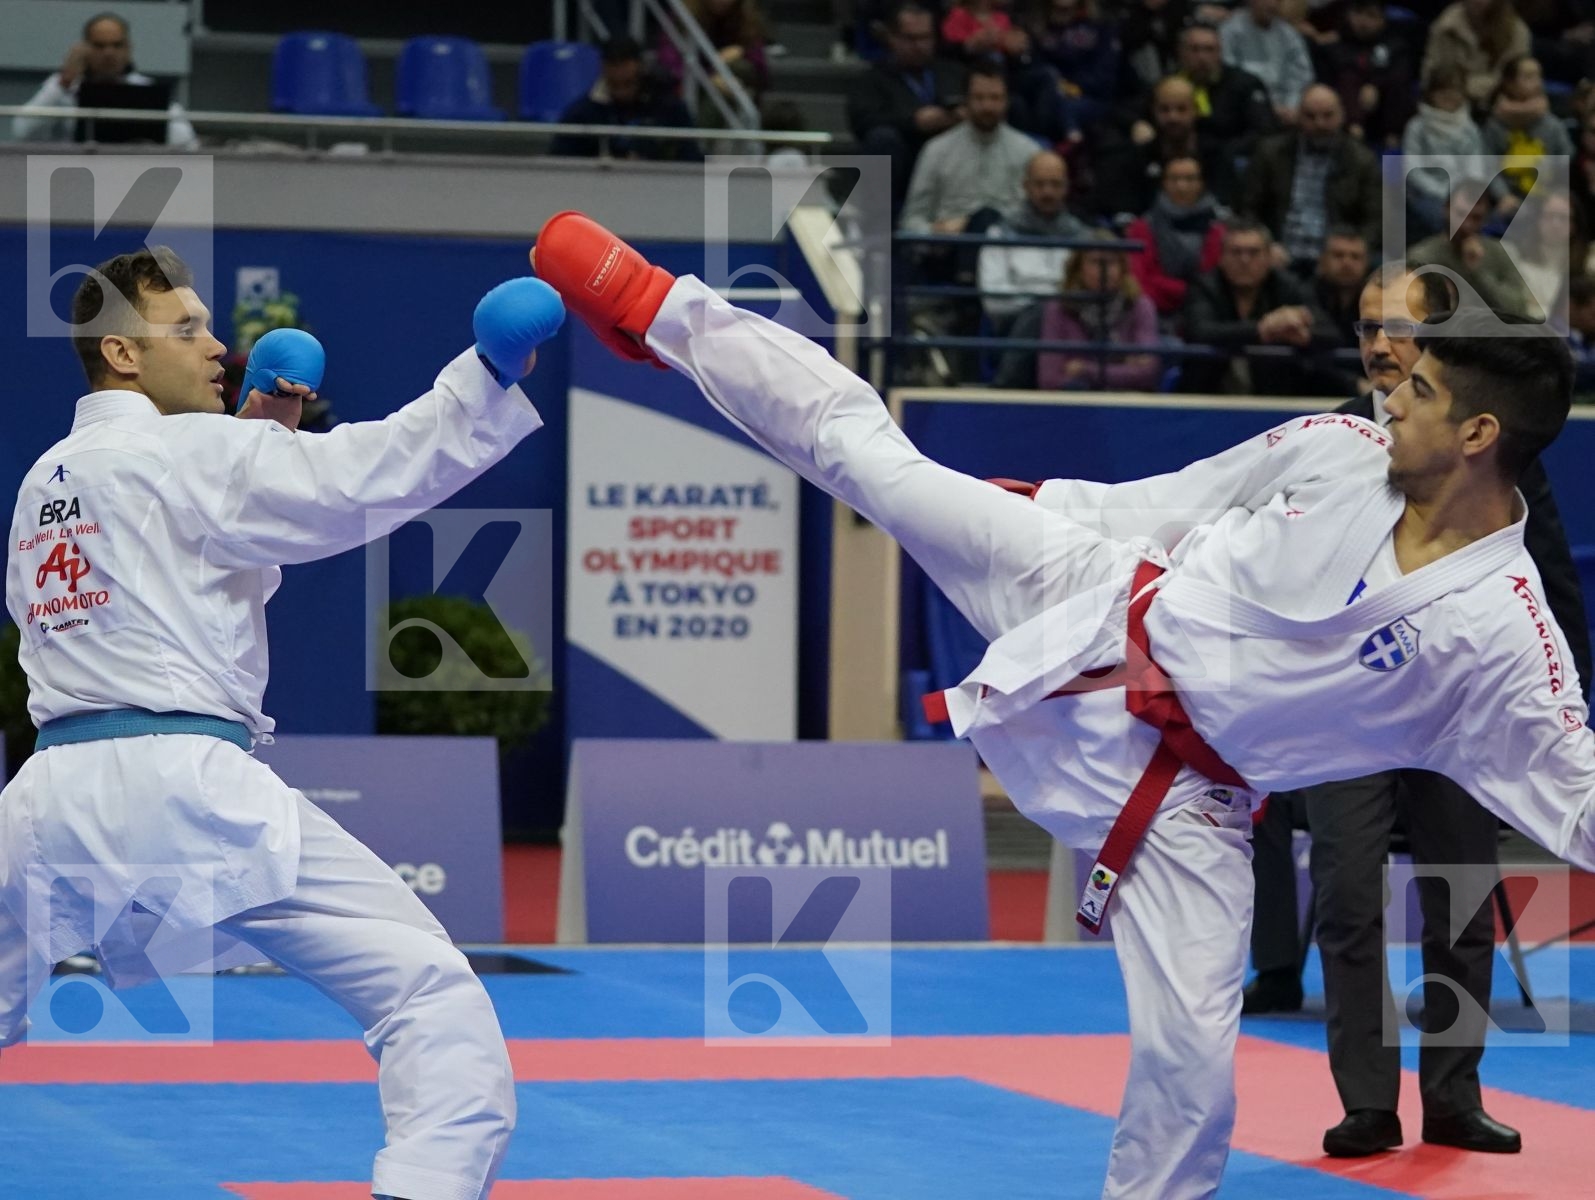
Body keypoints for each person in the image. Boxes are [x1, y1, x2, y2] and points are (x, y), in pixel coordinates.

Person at [530, 209, 1595, 1199]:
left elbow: (1579, 799)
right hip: (1092, 597)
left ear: (1475, 434)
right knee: (869, 460)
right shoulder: (1338, 449)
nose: (1393, 390)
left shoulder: (1501, 631)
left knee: (1190, 1075)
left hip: (1194, 804)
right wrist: (1033, 517)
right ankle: (660, 309)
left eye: (1422, 389)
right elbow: (1170, 506)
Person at [0, 246, 564, 1200]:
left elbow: (184, 581)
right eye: (185, 329)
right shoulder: (191, 451)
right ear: (123, 356)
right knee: (425, 988)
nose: (216, 344)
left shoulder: (45, 481)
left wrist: (261, 437)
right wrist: (484, 376)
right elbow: (363, 479)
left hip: (47, 795)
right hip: (187, 783)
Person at [1242, 260, 1591, 1159]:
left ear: (1437, 339)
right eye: (1364, 328)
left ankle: (1452, 1093)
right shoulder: (1326, 445)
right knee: (1349, 897)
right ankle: (1366, 1100)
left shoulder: (1485, 436)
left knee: (1461, 896)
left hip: (1456, 707)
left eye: (1397, 327)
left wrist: (1566, 698)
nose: (1378, 345)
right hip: (1345, 708)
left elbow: (1543, 577)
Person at [12, 11, 196, 147]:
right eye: (99, 46)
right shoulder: (62, 88)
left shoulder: (148, 91)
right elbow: (21, 131)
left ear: (128, 49)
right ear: (84, 48)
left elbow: (187, 143)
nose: (109, 53)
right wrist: (64, 81)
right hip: (71, 181)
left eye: (117, 45)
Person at [550, 36, 703, 162]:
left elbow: (691, 156)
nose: (621, 92)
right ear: (603, 71)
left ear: (641, 69)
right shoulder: (581, 114)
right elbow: (561, 162)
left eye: (628, 83)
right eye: (614, 85)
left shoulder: (669, 107)